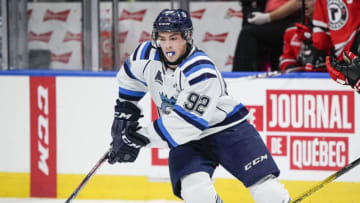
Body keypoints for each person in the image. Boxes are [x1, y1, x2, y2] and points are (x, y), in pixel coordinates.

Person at [107, 8, 291, 203]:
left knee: (269, 193)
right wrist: (124, 117)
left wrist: (139, 138)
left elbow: (186, 124)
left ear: (187, 37)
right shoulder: (144, 55)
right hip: (189, 142)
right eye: (162, 38)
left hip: (228, 129)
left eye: (174, 38)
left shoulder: (201, 71)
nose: (167, 45)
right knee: (196, 194)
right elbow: (129, 80)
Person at [233, 0, 301, 72]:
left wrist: (268, 17)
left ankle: (241, 77)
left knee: (248, 34)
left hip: (292, 20)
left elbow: (299, 2)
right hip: (269, 18)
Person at [279, 0, 328, 72]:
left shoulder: (335, 31)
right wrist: (290, 68)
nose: (304, 3)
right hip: (301, 80)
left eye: (309, 0)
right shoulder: (292, 30)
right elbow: (287, 58)